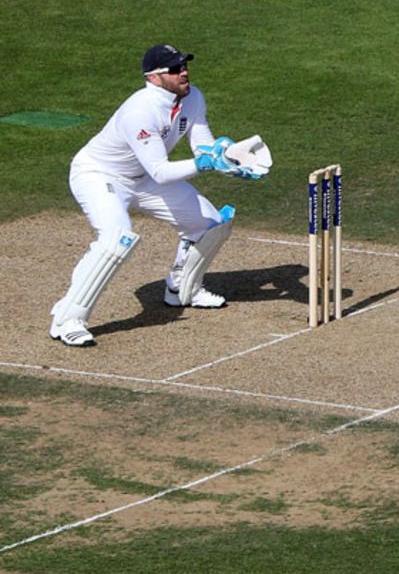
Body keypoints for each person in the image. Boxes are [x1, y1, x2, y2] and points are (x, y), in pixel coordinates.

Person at [48, 44, 260, 347]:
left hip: (144, 177)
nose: (183, 72)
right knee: (117, 239)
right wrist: (206, 163)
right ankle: (67, 319)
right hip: (100, 175)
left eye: (184, 65)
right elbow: (162, 171)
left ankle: (182, 290)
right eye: (175, 69)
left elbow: (203, 146)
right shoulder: (140, 111)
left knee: (211, 224)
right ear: (154, 78)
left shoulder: (193, 97)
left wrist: (228, 158)